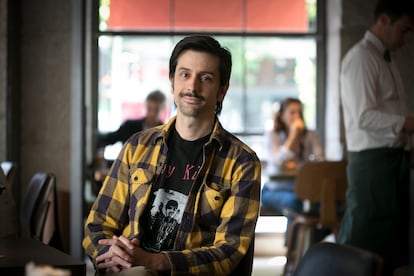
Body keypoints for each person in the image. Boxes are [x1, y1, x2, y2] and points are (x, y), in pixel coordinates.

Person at [83, 35, 261, 275]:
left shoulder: (242, 162)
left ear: (222, 90)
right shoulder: (137, 147)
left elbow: (228, 252)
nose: (192, 87)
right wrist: (108, 254)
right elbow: (98, 223)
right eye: (185, 75)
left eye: (205, 78)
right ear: (172, 82)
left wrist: (155, 262)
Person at [338, 0, 414, 274]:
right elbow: (364, 117)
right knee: (365, 243)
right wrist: (409, 124)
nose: (407, 39)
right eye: (404, 30)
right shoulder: (361, 57)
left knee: (390, 247)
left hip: (393, 160)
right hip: (373, 163)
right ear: (383, 20)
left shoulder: (384, 57)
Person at [261, 98, 324, 244]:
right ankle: (294, 251)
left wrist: (297, 166)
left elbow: (320, 162)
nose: (297, 117)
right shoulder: (274, 134)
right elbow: (277, 164)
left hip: (303, 190)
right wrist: (294, 136)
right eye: (292, 112)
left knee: (322, 204)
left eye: (299, 113)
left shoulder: (310, 135)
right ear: (282, 115)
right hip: (273, 191)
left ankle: (310, 250)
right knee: (296, 202)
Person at [93, 90, 167, 186]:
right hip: (125, 176)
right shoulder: (129, 126)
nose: (152, 113)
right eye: (149, 109)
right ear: (145, 106)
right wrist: (100, 154)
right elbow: (104, 139)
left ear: (163, 109)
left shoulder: (166, 134)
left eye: (156, 110)